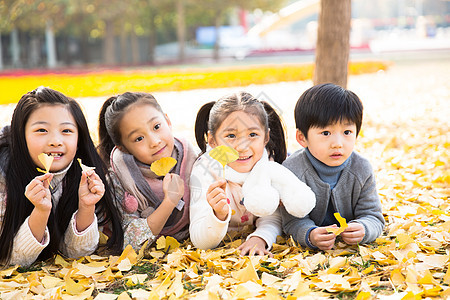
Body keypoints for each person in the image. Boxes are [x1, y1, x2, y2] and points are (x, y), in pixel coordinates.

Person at [0, 87, 123, 267]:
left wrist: (86, 207)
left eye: (66, 131)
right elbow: (11, 259)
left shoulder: (84, 175)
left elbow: (77, 253)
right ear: (21, 136)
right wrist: (40, 212)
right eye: (42, 130)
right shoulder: (4, 178)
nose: (56, 140)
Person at [190, 91, 315, 256]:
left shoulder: (269, 166)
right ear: (212, 141)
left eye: (253, 134)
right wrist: (218, 215)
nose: (242, 147)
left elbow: (273, 218)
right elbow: (200, 242)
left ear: (266, 137)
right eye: (231, 136)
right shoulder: (205, 171)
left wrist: (260, 237)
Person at [281, 83, 385, 251]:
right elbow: (291, 221)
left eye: (347, 132)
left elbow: (373, 216)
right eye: (326, 133)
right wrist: (309, 234)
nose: (337, 144)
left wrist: (364, 228)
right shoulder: (292, 171)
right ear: (302, 138)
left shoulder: (361, 169)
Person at [98, 92, 197, 251]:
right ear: (123, 148)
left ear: (167, 120)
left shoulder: (194, 159)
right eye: (139, 138)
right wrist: (169, 201)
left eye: (157, 127)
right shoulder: (119, 179)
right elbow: (129, 241)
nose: (154, 142)